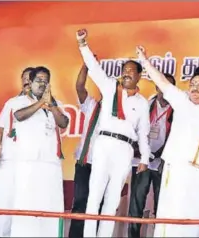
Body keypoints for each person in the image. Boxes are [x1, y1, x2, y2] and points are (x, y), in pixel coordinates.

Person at [136, 46, 199, 237]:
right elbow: (161, 81)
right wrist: (145, 61)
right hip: (175, 168)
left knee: (193, 214)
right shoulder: (181, 100)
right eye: (192, 84)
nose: (194, 88)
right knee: (170, 211)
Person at [76, 29, 151, 237]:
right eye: (124, 70)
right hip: (104, 144)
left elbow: (143, 132)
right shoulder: (110, 87)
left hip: (125, 149)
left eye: (131, 71)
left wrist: (144, 157)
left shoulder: (143, 103)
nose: (126, 73)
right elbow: (93, 67)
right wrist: (83, 44)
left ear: (139, 76)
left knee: (113, 199)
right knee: (94, 195)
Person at [10, 66, 69, 237]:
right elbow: (19, 116)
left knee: (50, 205)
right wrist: (40, 103)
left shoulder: (54, 103)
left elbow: (64, 123)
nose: (42, 84)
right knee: (26, 205)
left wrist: (51, 106)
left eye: (46, 81)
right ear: (31, 82)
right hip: (27, 163)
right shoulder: (19, 101)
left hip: (50, 164)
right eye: (39, 80)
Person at [128, 73, 175, 238]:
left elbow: (177, 137)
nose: (165, 90)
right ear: (157, 87)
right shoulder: (146, 105)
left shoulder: (178, 110)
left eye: (169, 86)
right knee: (136, 206)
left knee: (162, 208)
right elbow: (132, 129)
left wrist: (159, 154)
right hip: (142, 161)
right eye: (162, 85)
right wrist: (142, 151)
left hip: (163, 164)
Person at [0, 67, 34, 237]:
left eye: (30, 78)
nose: (26, 81)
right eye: (24, 78)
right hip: (7, 162)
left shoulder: (41, 105)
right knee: (1, 200)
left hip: (27, 163)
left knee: (21, 205)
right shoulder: (12, 102)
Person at [69, 63, 103, 238]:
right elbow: (79, 87)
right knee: (80, 204)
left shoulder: (123, 114)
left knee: (98, 206)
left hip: (104, 167)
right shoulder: (91, 105)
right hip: (84, 163)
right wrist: (86, 66)